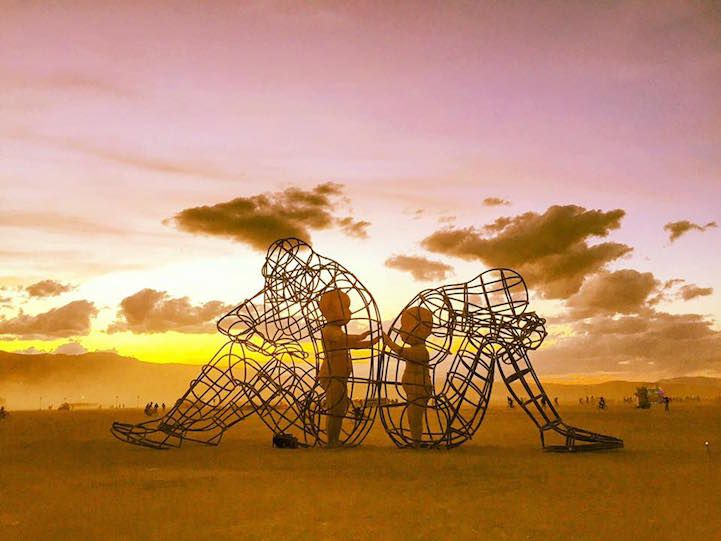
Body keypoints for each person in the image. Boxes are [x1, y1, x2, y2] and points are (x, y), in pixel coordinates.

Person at [317, 288, 380, 447]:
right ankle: (331, 441)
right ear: (329, 311)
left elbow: (353, 345)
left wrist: (369, 343)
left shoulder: (336, 330)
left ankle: (334, 439)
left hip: (340, 376)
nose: (349, 312)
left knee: (340, 407)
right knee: (335, 408)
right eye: (344, 308)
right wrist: (361, 337)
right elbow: (345, 340)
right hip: (332, 375)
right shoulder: (329, 330)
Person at [384, 306, 434, 447]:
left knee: (415, 417)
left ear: (420, 329)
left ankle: (416, 441)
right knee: (413, 417)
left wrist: (388, 342)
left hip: (419, 390)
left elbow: (402, 352)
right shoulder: (416, 349)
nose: (400, 330)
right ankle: (415, 440)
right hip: (413, 390)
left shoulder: (421, 351)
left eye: (405, 326)